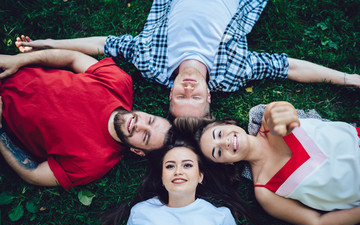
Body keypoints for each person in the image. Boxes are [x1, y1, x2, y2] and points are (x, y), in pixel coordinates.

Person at [15, 0, 360, 119]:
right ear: (210, 95)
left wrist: (48, 42)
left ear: (170, 93)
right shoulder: (233, 72)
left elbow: (105, 43)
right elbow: (291, 67)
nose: (190, 88)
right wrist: (350, 79)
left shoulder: (150, 63)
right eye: (196, 97)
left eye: (182, 96)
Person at [0, 49, 172, 190]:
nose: (139, 124)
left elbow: (34, 174)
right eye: (150, 120)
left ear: (137, 151)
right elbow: (71, 58)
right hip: (8, 69)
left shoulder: (92, 164)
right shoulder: (118, 82)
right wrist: (18, 60)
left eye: (145, 136)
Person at [178, 101, 360, 225]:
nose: (224, 142)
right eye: (217, 152)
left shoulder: (267, 117)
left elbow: (283, 110)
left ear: (228, 124)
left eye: (219, 133)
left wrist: (283, 117)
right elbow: (318, 222)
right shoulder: (265, 192)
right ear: (227, 163)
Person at [101, 139, 249, 225]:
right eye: (170, 166)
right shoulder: (140, 212)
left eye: (187, 165)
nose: (178, 171)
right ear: (162, 178)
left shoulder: (221, 216)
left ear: (200, 176)